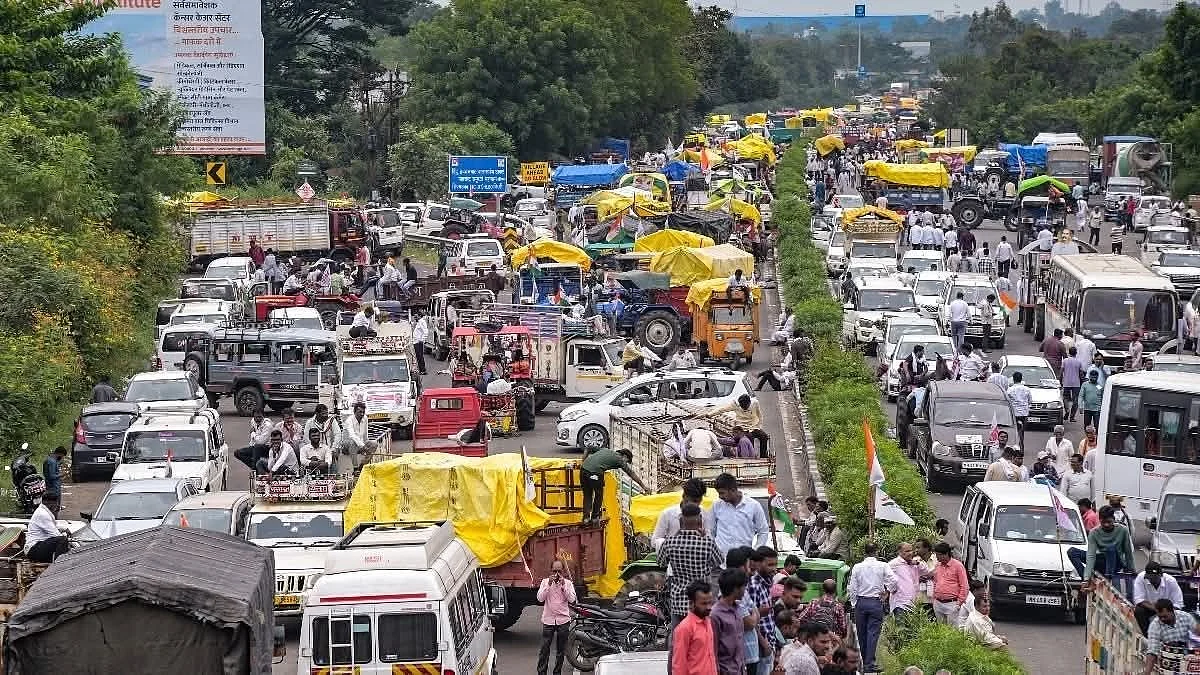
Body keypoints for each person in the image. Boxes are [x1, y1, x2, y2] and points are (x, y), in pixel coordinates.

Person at [846, 541, 895, 674]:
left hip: (861, 602)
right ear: (877, 552)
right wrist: (888, 592)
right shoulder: (883, 565)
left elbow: (852, 587)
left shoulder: (857, 566)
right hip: (875, 601)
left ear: (864, 552)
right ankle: (869, 663)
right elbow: (894, 581)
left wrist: (854, 603)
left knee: (861, 633)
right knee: (873, 633)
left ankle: (865, 662)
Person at [579, 447, 648, 523]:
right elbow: (631, 474)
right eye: (627, 461)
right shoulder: (620, 459)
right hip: (595, 473)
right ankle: (595, 518)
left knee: (587, 495)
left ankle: (586, 518)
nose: (625, 463)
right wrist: (643, 486)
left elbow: (588, 448)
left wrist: (583, 461)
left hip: (583, 470)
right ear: (624, 456)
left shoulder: (605, 450)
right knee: (599, 495)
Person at [1069, 505, 1136, 583]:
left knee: (1110, 548)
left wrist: (1131, 570)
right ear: (1099, 520)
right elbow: (1091, 555)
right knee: (1072, 552)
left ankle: (1108, 577)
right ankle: (1087, 578)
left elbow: (1128, 552)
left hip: (1116, 561)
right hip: (1101, 560)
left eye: (1109, 522)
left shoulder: (1123, 530)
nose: (1106, 525)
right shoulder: (1094, 532)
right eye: (1103, 522)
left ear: (1114, 519)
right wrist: (1086, 577)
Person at [710, 473, 770, 557]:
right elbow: (710, 531)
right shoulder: (716, 506)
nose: (720, 496)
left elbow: (763, 531)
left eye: (722, 493)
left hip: (744, 562)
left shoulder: (753, 506)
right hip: (721, 562)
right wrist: (714, 551)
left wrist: (756, 551)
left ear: (733, 490)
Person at [535, 560, 577, 675]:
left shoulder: (567, 583)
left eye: (559, 571)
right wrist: (548, 584)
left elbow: (572, 599)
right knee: (544, 649)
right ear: (551, 571)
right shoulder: (545, 582)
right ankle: (541, 672)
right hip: (548, 620)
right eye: (555, 571)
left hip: (563, 620)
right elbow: (540, 598)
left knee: (560, 650)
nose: (557, 574)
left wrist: (563, 586)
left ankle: (557, 672)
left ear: (563, 571)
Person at [652, 478, 713, 552]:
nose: (695, 505)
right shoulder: (667, 514)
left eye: (697, 501)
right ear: (684, 496)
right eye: (692, 501)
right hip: (674, 559)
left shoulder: (704, 514)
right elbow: (655, 541)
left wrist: (703, 537)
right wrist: (673, 542)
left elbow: (710, 540)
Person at [1143, 598, 1196, 675]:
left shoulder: (1185, 617)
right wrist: (1147, 672)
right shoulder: (1154, 626)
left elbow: (1196, 632)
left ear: (1172, 611)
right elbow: (1152, 651)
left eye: (1165, 616)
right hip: (1168, 663)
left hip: (1188, 658)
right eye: (1159, 617)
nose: (1162, 619)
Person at [711, 568, 748, 675]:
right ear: (735, 589)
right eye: (743, 587)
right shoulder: (715, 615)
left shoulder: (737, 609)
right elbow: (713, 648)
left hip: (739, 669)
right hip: (725, 670)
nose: (745, 590)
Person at [1133, 561, 1185, 636]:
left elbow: (1178, 603)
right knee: (1139, 611)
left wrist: (1166, 613)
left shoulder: (1171, 581)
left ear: (1160, 575)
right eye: (1149, 577)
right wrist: (1157, 610)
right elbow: (1139, 600)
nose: (1151, 580)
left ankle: (1172, 638)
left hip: (1168, 609)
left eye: (1154, 578)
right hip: (1150, 607)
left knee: (1177, 616)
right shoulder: (1140, 578)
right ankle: (1148, 635)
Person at [931, 541, 969, 624]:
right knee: (941, 629)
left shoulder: (958, 566)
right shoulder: (938, 565)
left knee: (952, 631)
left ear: (946, 554)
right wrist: (934, 598)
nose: (937, 557)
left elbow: (964, 585)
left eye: (938, 555)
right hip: (938, 602)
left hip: (952, 603)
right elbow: (935, 582)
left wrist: (959, 603)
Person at [24, 492, 67, 563]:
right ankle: (58, 565)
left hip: (39, 546)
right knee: (62, 540)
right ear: (47, 502)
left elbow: (51, 528)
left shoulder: (43, 511)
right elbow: (56, 535)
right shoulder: (42, 514)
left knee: (62, 540)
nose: (56, 506)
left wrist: (63, 529)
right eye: (55, 503)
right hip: (33, 549)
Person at [888, 541, 927, 617]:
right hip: (900, 603)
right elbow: (884, 576)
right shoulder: (894, 563)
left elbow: (926, 571)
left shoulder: (915, 563)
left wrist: (917, 563)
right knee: (901, 628)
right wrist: (891, 588)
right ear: (899, 552)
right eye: (907, 551)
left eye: (911, 550)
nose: (910, 553)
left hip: (914, 602)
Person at [340, 400, 371, 468]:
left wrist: (366, 445)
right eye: (360, 412)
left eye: (363, 412)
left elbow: (365, 434)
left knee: (374, 444)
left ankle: (363, 465)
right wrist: (363, 446)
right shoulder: (349, 420)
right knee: (353, 442)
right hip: (347, 444)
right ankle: (355, 467)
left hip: (360, 443)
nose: (362, 414)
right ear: (354, 412)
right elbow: (352, 435)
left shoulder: (365, 418)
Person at [1005, 372, 1033, 450]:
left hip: (1014, 413)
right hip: (1024, 413)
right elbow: (1030, 400)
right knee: (1022, 431)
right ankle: (1021, 447)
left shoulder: (1010, 389)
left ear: (1013, 379)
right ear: (1021, 379)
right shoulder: (1026, 389)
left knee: (1014, 431)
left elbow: (1007, 401)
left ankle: (1015, 447)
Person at [1061, 347, 1084, 422]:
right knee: (1075, 400)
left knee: (1065, 397)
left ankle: (1067, 410)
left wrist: (1060, 380)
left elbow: (1061, 371)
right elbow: (1080, 373)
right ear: (1076, 353)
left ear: (1069, 352)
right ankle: (1072, 416)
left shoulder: (1065, 361)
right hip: (1076, 383)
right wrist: (1083, 380)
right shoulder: (1078, 362)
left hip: (1066, 382)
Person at [411, 310, 429, 375]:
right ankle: (421, 369)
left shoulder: (422, 322)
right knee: (418, 356)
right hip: (416, 341)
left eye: (416, 316)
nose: (415, 317)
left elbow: (426, 331)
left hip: (418, 342)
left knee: (420, 356)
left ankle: (423, 370)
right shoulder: (419, 322)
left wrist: (422, 340)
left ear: (419, 316)